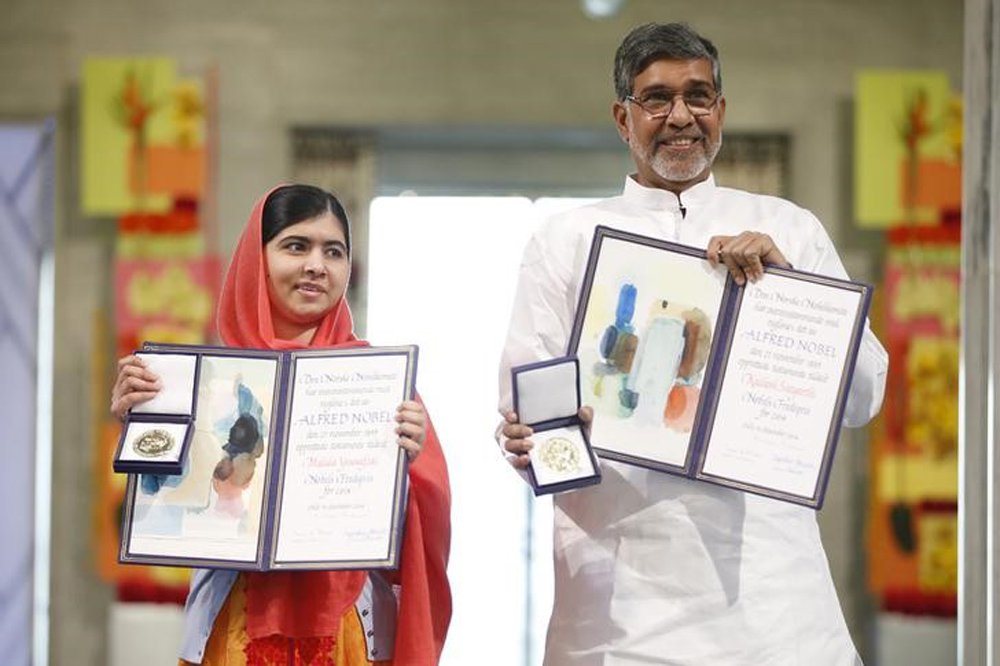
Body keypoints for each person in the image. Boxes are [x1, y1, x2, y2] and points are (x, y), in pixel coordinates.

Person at [497, 23, 887, 666]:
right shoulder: (565, 240)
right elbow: (533, 422)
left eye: (698, 96)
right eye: (657, 99)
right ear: (624, 118)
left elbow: (864, 397)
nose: (681, 116)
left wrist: (790, 294)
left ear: (721, 112)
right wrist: (538, 442)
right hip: (615, 613)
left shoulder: (788, 228)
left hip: (774, 610)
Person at [111, 184, 452, 665]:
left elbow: (421, 533)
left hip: (348, 632)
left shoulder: (380, 385)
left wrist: (413, 467)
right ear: (258, 257)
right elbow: (172, 502)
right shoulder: (206, 385)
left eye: (334, 251)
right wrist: (143, 421)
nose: (317, 265)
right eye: (297, 246)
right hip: (231, 622)